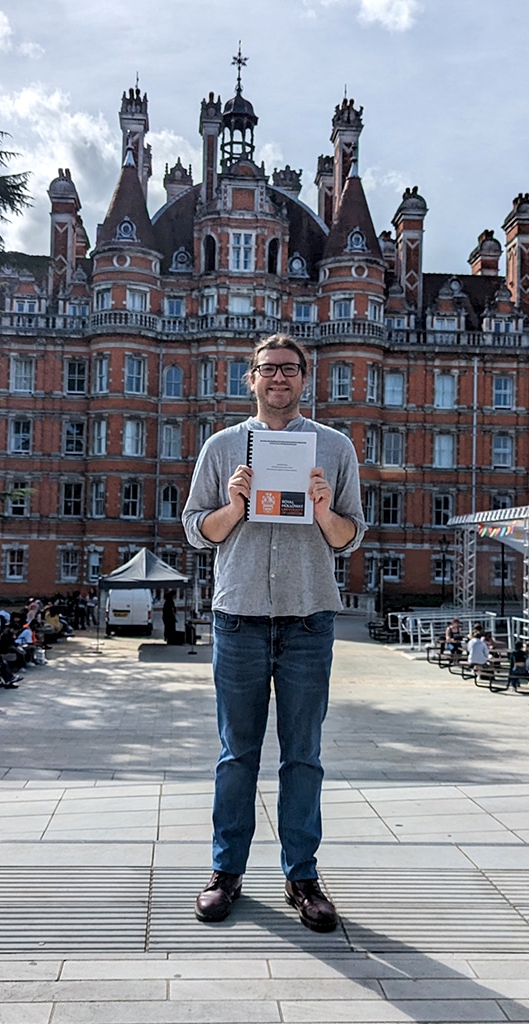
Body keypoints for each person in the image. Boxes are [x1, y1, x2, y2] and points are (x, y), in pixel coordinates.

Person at [182, 333, 366, 933]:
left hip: (308, 617)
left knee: (303, 756)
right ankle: (225, 872)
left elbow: (349, 538)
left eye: (289, 369)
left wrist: (324, 510)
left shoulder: (334, 448)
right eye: (268, 369)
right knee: (236, 755)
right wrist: (235, 504)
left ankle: (302, 877)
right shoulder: (221, 447)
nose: (278, 378)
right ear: (252, 378)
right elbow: (197, 531)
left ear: (305, 378)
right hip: (238, 617)